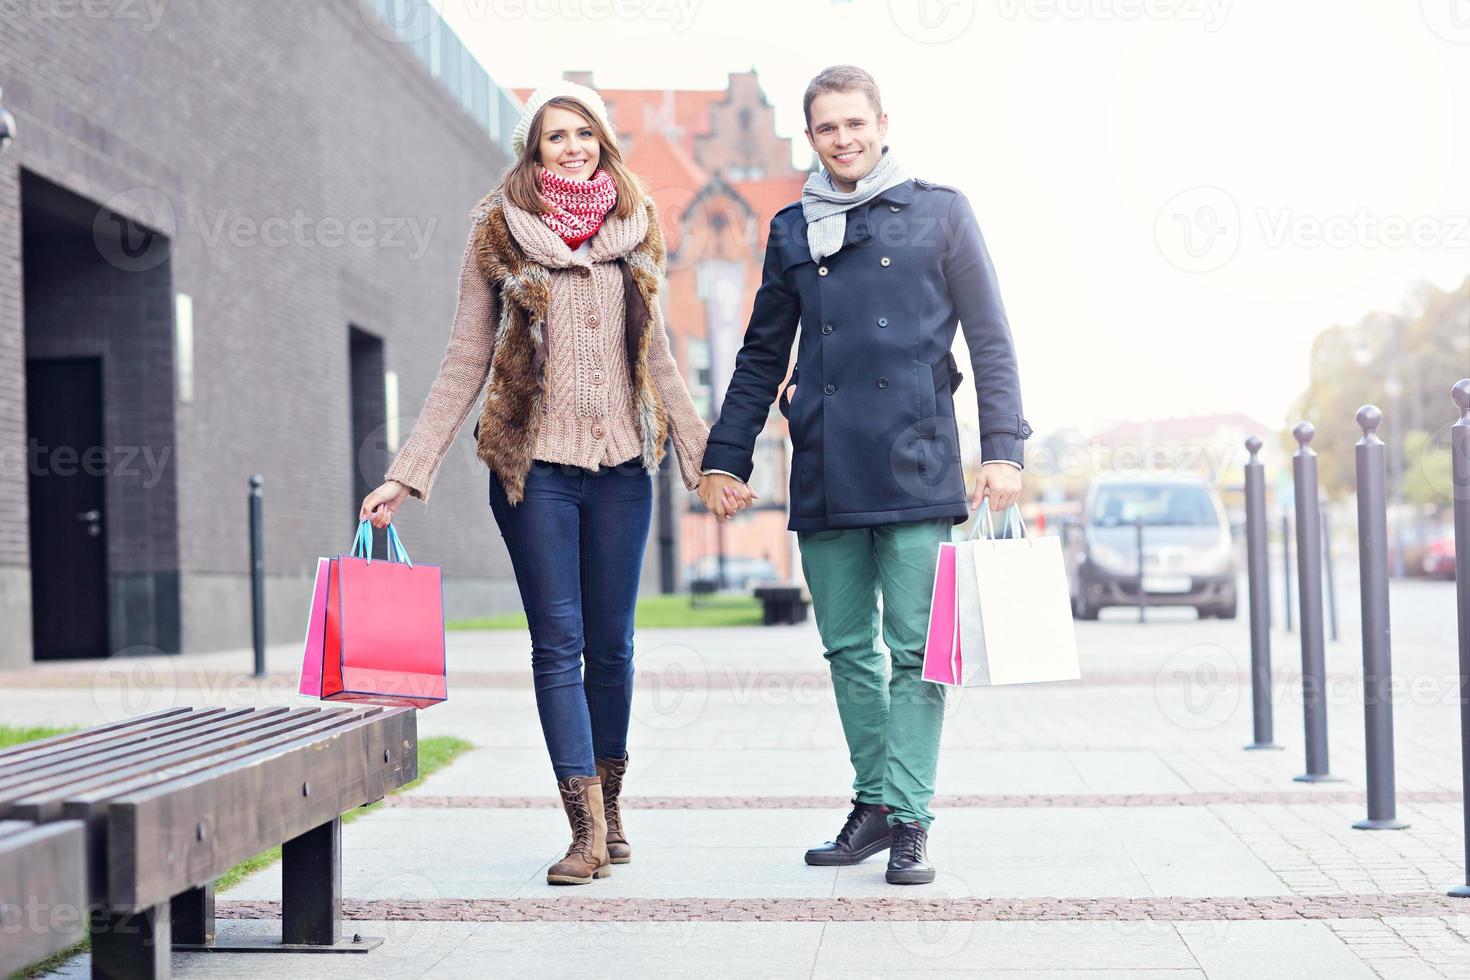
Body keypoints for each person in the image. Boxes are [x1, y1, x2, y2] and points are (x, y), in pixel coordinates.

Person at [359, 80, 743, 886]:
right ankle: (584, 831)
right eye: (553, 137)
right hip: (532, 473)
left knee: (613, 646)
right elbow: (465, 358)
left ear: (603, 141)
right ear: (532, 153)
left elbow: (660, 361)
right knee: (557, 644)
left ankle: (613, 805)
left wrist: (707, 460)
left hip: (623, 472)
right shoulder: (497, 234)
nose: (571, 147)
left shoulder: (638, 233)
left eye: (583, 134)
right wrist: (407, 473)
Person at [698, 65, 1032, 885]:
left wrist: (1003, 450)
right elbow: (760, 356)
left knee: (915, 652)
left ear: (883, 122)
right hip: (824, 463)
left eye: (855, 123)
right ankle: (874, 803)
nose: (843, 139)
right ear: (810, 138)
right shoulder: (788, 230)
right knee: (849, 650)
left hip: (916, 458)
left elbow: (990, 338)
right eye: (826, 128)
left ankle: (910, 817)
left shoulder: (940, 213)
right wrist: (723, 456)